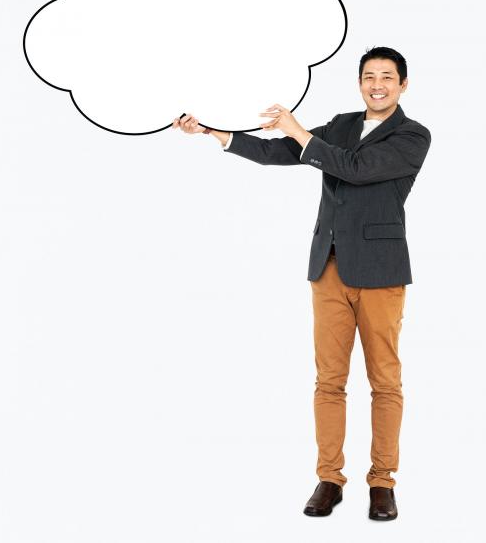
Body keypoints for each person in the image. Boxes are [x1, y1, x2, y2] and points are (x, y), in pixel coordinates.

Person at [173, 46, 431, 521]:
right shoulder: (340, 124)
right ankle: (329, 478)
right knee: (329, 381)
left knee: (384, 381)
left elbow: (354, 170)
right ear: (359, 83)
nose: (377, 84)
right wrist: (216, 133)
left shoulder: (413, 135)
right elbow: (277, 152)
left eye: (387, 77)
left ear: (402, 85)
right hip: (328, 267)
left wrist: (298, 129)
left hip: (381, 272)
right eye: (369, 76)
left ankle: (382, 482)